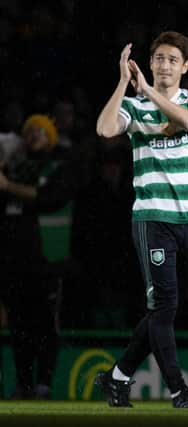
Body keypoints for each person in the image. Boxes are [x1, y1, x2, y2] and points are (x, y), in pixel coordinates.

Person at [93, 31, 188, 408]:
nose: (164, 64)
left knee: (168, 308)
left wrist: (149, 92)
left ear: (185, 67)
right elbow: (104, 129)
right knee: (163, 306)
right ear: (150, 64)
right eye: (159, 58)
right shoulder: (134, 105)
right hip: (152, 217)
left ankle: (116, 378)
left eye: (172, 59)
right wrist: (123, 83)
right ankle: (179, 390)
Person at [0, 114, 73, 399]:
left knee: (45, 325)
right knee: (19, 326)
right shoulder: (13, 164)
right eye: (29, 131)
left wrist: (7, 186)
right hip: (13, 260)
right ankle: (23, 383)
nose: (32, 136)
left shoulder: (57, 167)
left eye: (40, 132)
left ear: (50, 138)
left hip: (46, 261)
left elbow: (48, 197)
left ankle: (43, 383)